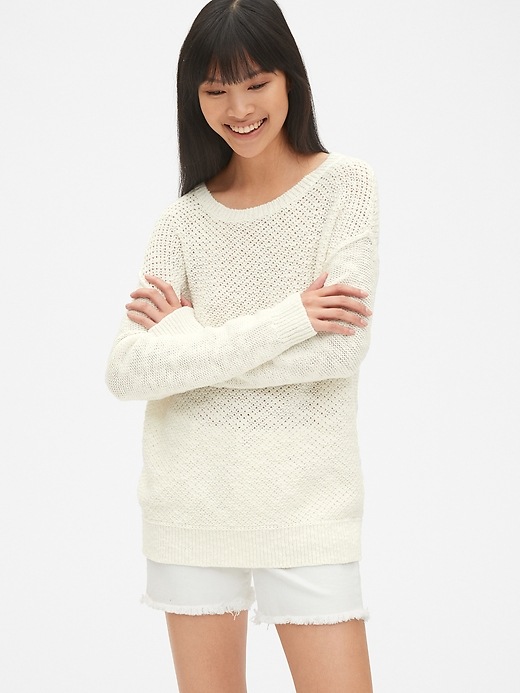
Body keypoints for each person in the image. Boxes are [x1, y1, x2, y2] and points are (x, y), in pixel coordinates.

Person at [105, 0, 379, 690]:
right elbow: (128, 368)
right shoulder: (180, 222)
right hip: (191, 503)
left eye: (256, 83)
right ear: (192, 97)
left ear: (290, 79)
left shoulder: (346, 187)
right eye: (216, 90)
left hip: (308, 505)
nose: (239, 108)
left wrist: (188, 344)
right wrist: (293, 317)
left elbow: (338, 351)